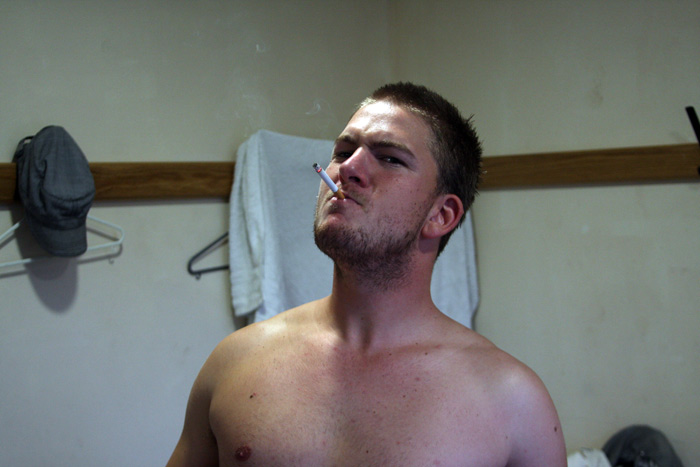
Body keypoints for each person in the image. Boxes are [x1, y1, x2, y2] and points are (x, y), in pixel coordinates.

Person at [167, 82, 567, 466]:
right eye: (343, 151)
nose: (347, 168)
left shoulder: (512, 401)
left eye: (390, 158)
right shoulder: (235, 362)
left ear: (441, 215)